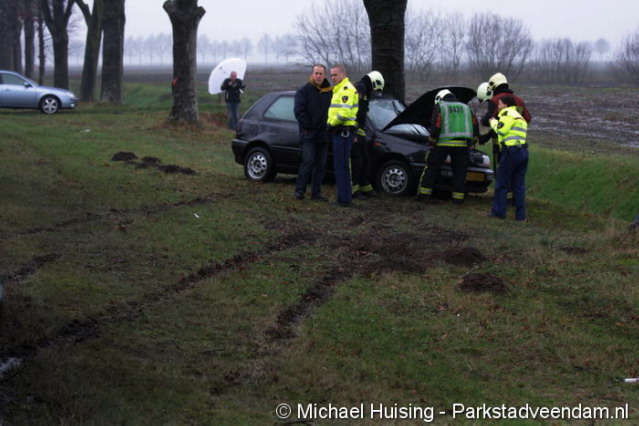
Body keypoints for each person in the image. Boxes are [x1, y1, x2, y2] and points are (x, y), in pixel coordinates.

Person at [417, 89, 479, 205]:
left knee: (432, 168)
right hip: (462, 145)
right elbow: (475, 125)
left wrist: (432, 141)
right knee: (460, 172)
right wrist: (472, 142)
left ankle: (424, 196)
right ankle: (457, 199)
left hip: (442, 144)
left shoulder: (441, 107)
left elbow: (436, 125)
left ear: (440, 98)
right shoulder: (466, 108)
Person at [478, 73, 532, 202]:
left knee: (502, 173)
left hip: (502, 143)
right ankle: (516, 199)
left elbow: (487, 120)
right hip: (519, 144)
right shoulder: (519, 100)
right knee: (517, 175)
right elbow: (527, 118)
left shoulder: (496, 100)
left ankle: (502, 200)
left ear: (494, 86)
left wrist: (486, 122)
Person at [293, 64, 333, 201]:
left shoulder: (330, 91)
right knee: (308, 163)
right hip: (308, 134)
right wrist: (309, 126)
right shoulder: (303, 90)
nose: (318, 76)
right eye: (316, 73)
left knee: (320, 166)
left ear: (324, 75)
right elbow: (299, 111)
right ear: (312, 74)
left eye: (321, 73)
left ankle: (316, 194)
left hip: (324, 135)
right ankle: (300, 190)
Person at [488, 96, 529, 221]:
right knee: (519, 185)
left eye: (500, 104)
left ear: (506, 105)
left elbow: (501, 130)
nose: (498, 106)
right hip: (523, 152)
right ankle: (520, 216)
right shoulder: (519, 116)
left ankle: (498, 213)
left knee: (501, 183)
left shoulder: (506, 114)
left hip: (511, 152)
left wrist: (493, 122)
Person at [327, 64, 359, 207]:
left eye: (335, 75)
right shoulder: (339, 89)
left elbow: (344, 113)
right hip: (340, 132)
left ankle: (344, 199)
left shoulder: (346, 90)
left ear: (343, 74)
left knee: (341, 166)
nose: (333, 78)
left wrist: (331, 124)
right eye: (331, 75)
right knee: (341, 166)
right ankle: (344, 198)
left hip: (343, 132)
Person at [351, 71, 384, 199]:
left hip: (360, 131)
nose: (375, 92)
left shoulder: (364, 90)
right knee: (356, 162)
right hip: (354, 131)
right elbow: (356, 110)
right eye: (377, 89)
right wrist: (354, 131)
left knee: (365, 161)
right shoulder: (360, 88)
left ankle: (365, 186)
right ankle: (354, 190)